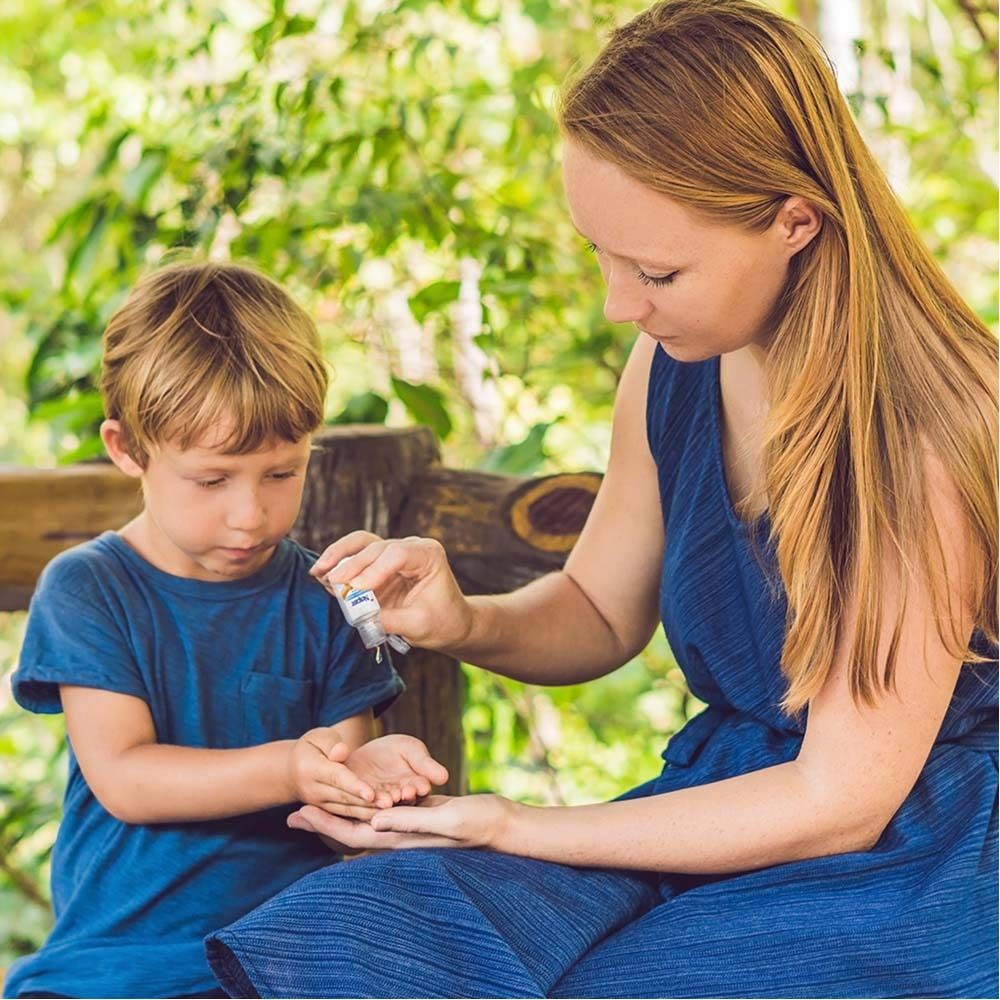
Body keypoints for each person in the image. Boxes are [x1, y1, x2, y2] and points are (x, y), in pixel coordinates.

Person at [204, 1, 998, 997]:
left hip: (915, 853)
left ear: (796, 220)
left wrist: (514, 822)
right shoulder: (674, 356)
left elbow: (840, 800)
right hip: (718, 795)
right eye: (601, 254)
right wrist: (462, 618)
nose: (620, 304)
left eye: (657, 270)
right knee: (368, 923)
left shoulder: (919, 423)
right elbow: (594, 610)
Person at [3, 261, 449, 1000]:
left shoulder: (322, 599)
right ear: (126, 450)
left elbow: (342, 787)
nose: (250, 514)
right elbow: (126, 777)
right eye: (212, 480)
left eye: (281, 474)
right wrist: (286, 766)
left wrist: (379, 780)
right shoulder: (91, 589)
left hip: (290, 961)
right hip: (121, 968)